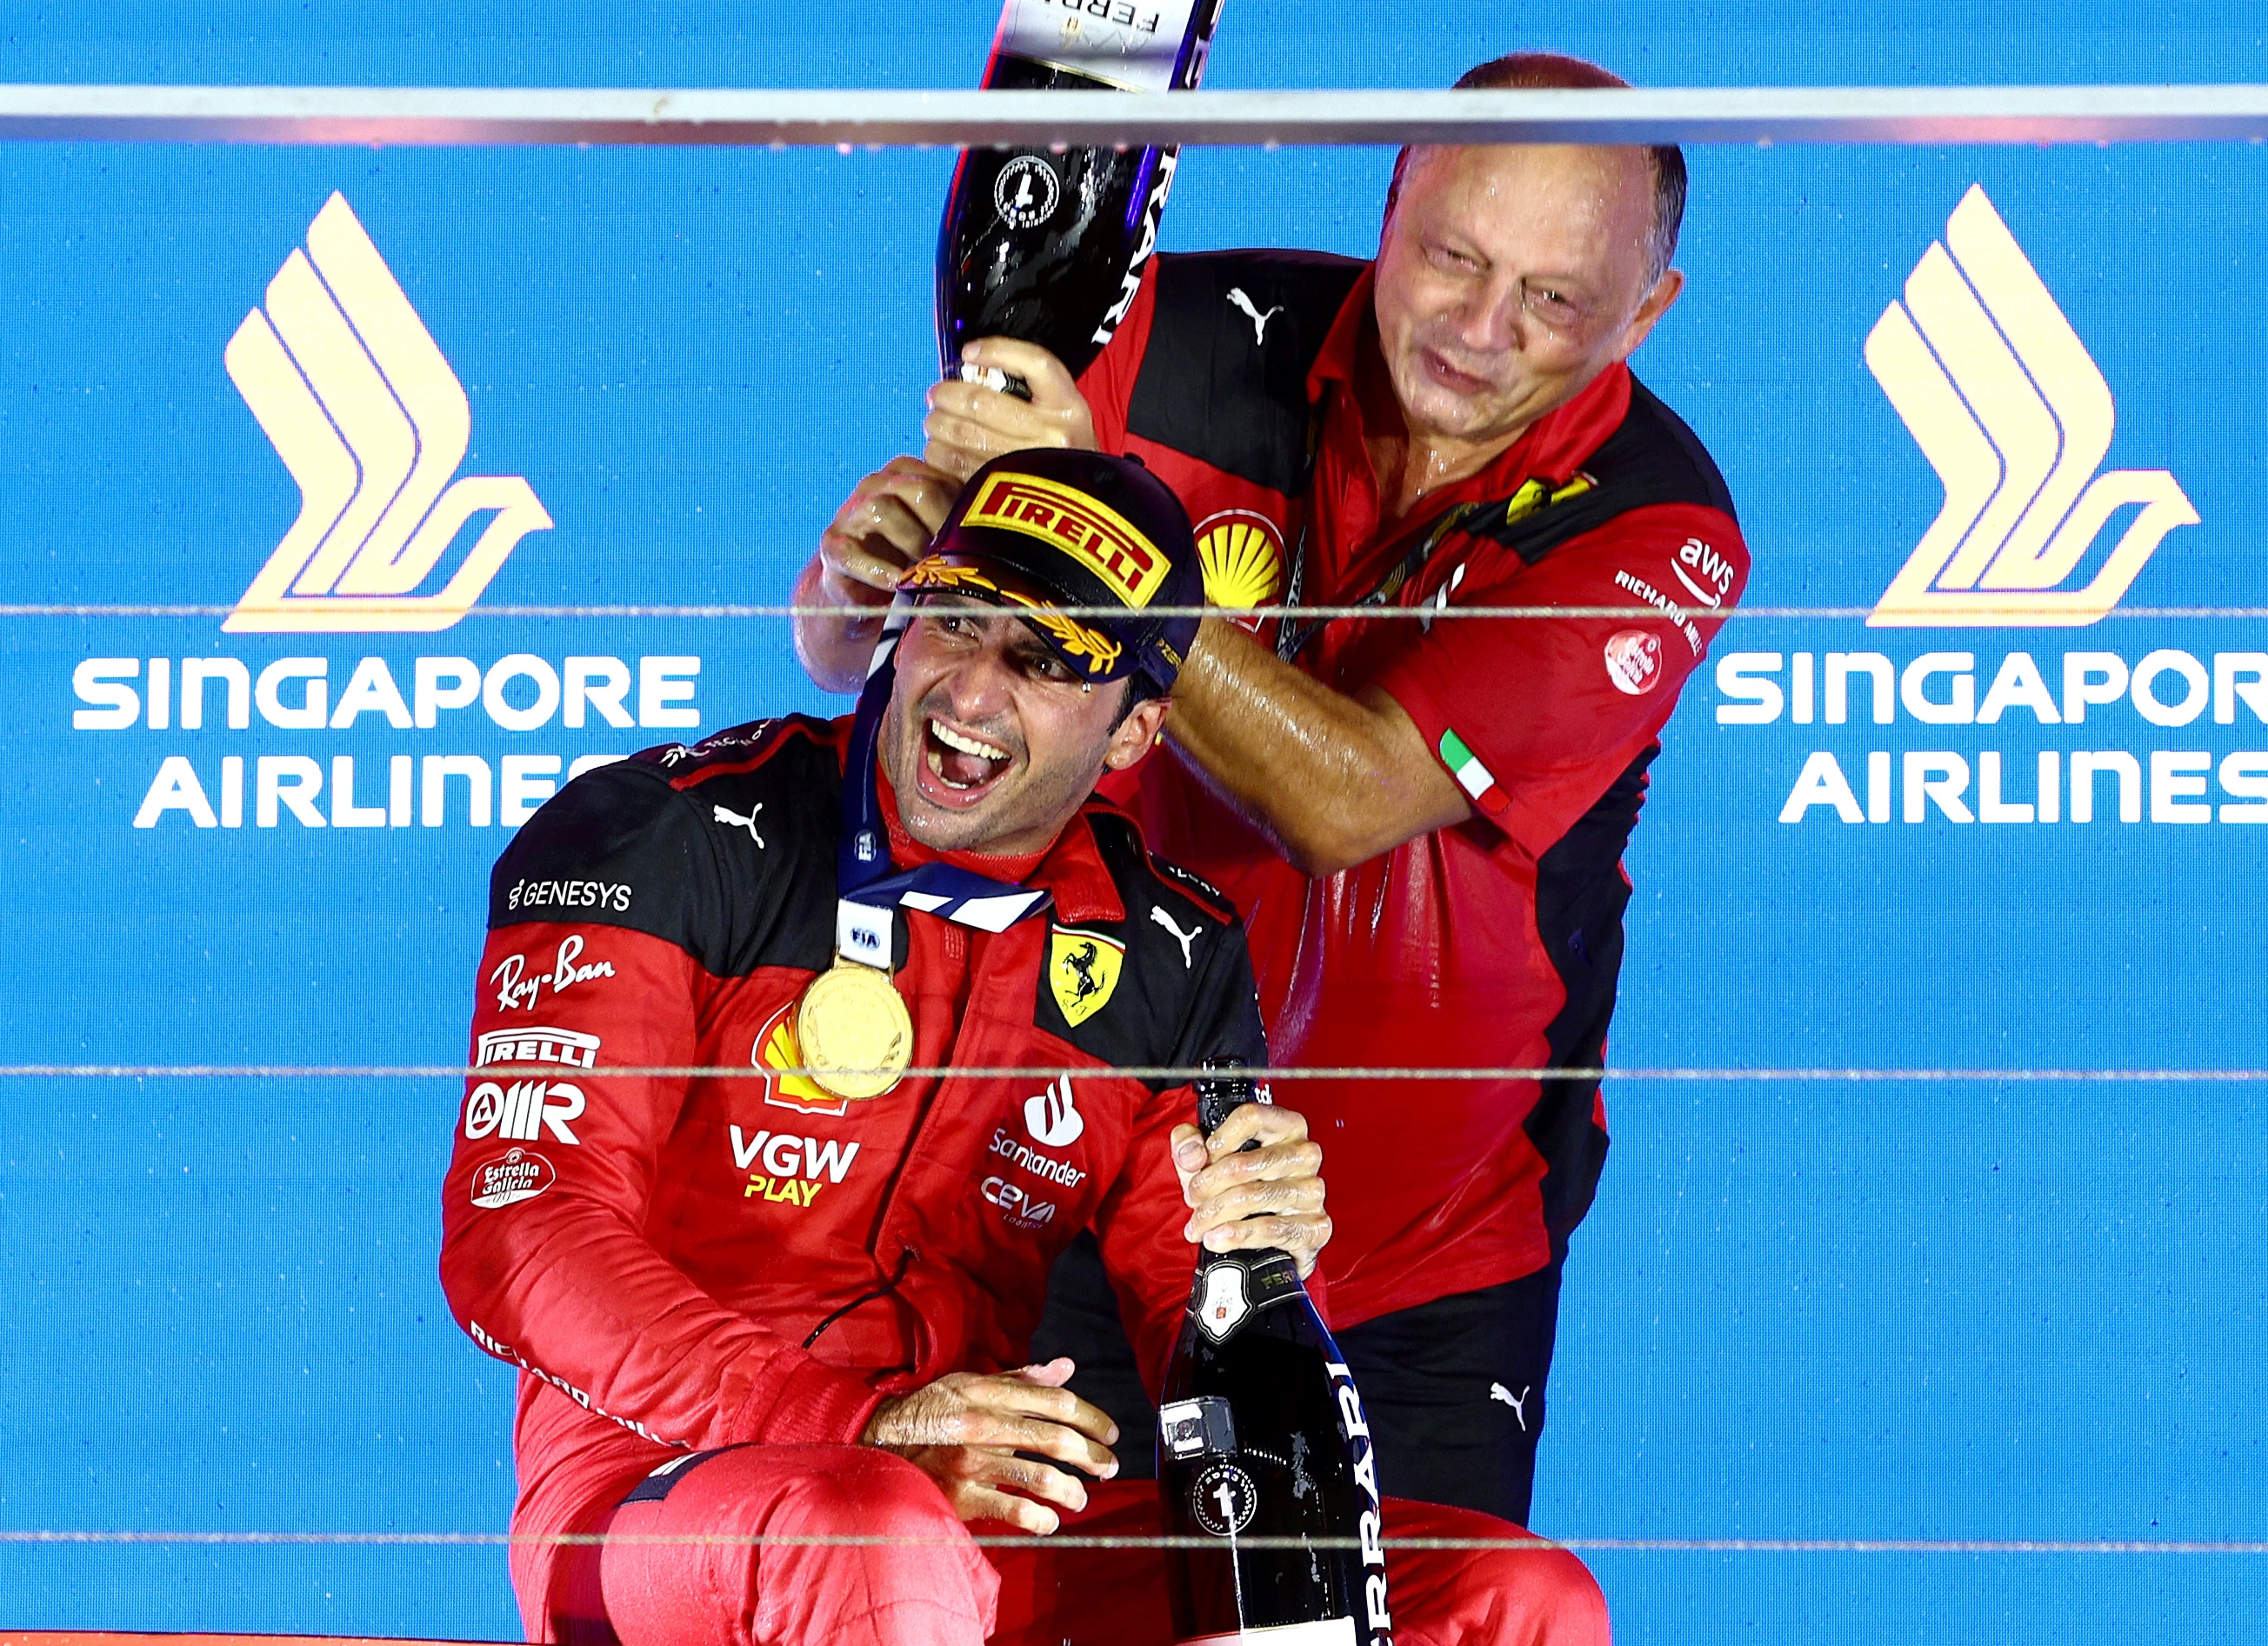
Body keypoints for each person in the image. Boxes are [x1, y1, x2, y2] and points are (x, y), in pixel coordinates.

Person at [797, 52, 1749, 1528]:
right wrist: (868, 572)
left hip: (1421, 1265)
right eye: (1450, 259)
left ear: (1650, 312)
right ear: (1391, 205)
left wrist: (1115, 552)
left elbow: (1349, 801)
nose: (1482, 332)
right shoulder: (1173, 338)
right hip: (1076, 1175)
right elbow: (902, 626)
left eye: (1556, 301)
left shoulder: (1656, 532)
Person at [444, 447, 1608, 1646]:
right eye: (956, 620)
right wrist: (861, 1427)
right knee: (876, 1537)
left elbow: (1201, 1342)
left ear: (1133, 731)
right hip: (663, 1507)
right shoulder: (664, 834)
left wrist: (1255, 1277)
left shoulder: (1169, 956)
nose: (970, 693)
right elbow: (522, 1236)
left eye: (1048, 660)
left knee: (1514, 1603)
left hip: (981, 1537)